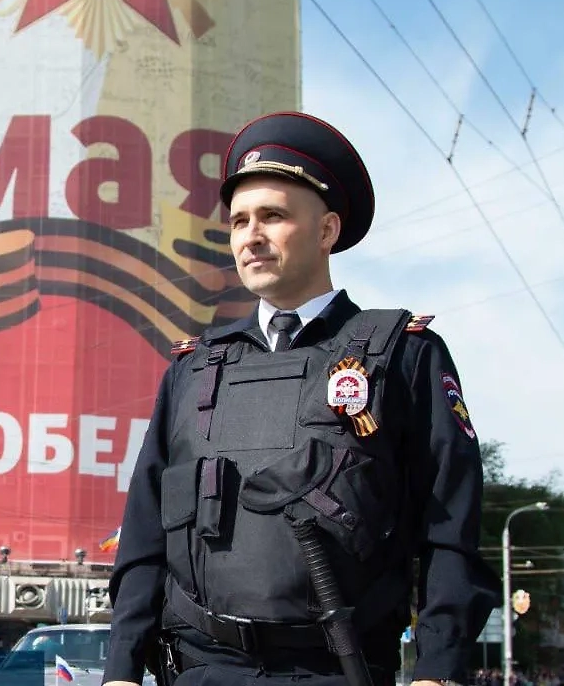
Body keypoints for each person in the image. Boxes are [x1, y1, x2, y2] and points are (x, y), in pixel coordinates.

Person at [101, 112, 501, 686]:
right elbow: (144, 534)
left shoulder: (404, 356)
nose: (251, 236)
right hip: (201, 669)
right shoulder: (193, 368)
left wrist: (438, 670)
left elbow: (450, 527)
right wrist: (121, 668)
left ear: (327, 230)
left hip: (338, 670)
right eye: (239, 221)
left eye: (273, 216)